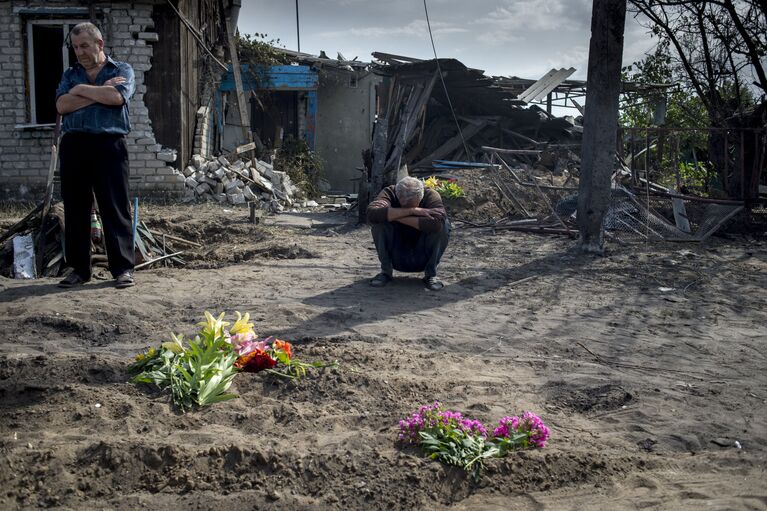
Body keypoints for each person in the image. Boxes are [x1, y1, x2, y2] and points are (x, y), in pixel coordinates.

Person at [55, 22, 136, 289]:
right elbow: (61, 105)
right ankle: (79, 269)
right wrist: (95, 94)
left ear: (99, 44)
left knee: (115, 206)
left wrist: (79, 91)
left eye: (85, 46)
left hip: (109, 144)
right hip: (75, 145)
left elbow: (117, 98)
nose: (79, 52)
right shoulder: (71, 73)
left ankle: (122, 269)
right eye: (75, 47)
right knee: (76, 207)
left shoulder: (121, 70)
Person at [366, 176, 451, 290]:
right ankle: (385, 271)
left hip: (422, 254)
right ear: (397, 194)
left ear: (421, 197)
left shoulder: (431, 195)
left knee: (444, 224)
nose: (408, 207)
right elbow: (372, 214)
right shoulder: (389, 193)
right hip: (396, 253)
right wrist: (412, 211)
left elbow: (437, 223)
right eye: (404, 205)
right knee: (379, 223)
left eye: (412, 205)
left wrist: (393, 215)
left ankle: (431, 274)